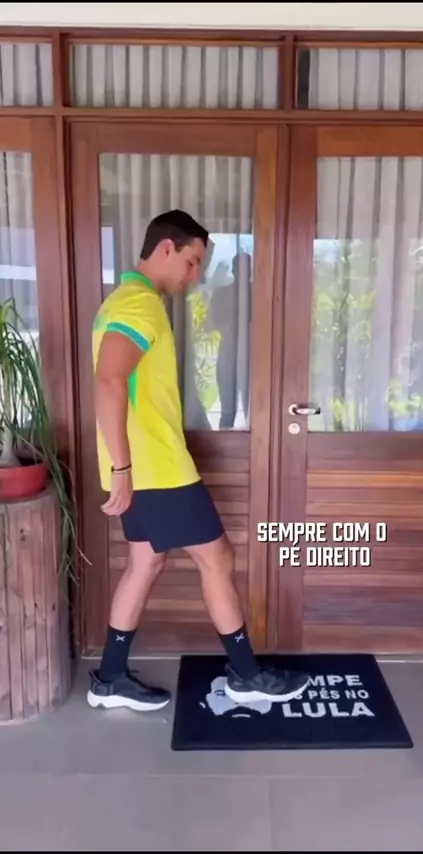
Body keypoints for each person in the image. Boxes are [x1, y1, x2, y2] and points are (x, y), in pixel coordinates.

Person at [87, 209, 309, 712]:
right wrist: (123, 469)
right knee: (218, 559)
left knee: (145, 562)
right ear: (166, 248)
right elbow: (109, 380)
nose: (194, 277)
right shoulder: (140, 304)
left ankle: (111, 677)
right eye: (191, 262)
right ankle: (247, 675)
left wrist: (121, 468)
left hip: (144, 467)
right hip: (158, 469)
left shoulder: (122, 301)